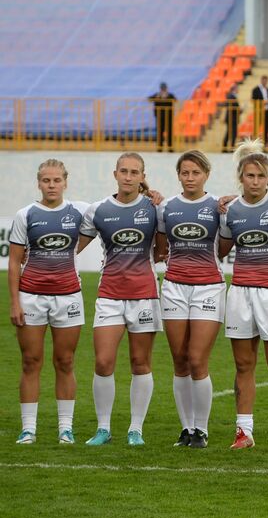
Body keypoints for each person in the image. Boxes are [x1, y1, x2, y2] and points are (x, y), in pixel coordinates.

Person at [76, 153, 161, 445]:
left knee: (140, 362)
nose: (128, 176)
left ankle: (135, 429)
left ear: (142, 176)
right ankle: (103, 428)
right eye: (123, 171)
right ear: (115, 174)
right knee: (102, 362)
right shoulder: (98, 210)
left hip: (145, 295)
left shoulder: (154, 209)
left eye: (134, 172)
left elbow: (164, 249)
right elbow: (73, 247)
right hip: (109, 294)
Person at [220, 141, 268, 449]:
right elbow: (223, 248)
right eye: (249, 176)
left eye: (260, 176)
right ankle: (244, 432)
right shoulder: (230, 210)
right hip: (240, 291)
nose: (255, 181)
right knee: (243, 365)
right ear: (241, 177)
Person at [10, 160, 87, 444]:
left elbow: (114, 207)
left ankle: (65, 427)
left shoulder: (80, 212)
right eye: (46, 180)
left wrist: (150, 192)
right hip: (31, 297)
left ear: (65, 182)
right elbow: (15, 261)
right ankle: (28, 428)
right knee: (31, 361)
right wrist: (15, 302)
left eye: (56, 180)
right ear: (38, 183)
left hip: (68, 297)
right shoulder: (25, 215)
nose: (51, 185)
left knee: (65, 361)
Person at [156, 151, 224, 448]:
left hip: (208, 287)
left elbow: (226, 244)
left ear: (206, 174)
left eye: (196, 172)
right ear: (179, 175)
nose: (190, 178)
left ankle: (202, 429)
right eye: (185, 173)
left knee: (198, 359)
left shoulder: (219, 207)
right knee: (180, 360)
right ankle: (186, 429)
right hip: (174, 287)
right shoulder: (167, 207)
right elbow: (160, 246)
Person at [149, 83, 176, 152]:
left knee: (169, 132)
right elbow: (149, 99)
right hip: (159, 117)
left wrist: (167, 97)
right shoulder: (157, 95)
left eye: (164, 88)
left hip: (169, 117)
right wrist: (157, 97)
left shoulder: (170, 95)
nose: (163, 89)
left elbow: (175, 100)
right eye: (162, 88)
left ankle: (170, 148)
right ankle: (159, 148)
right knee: (159, 132)